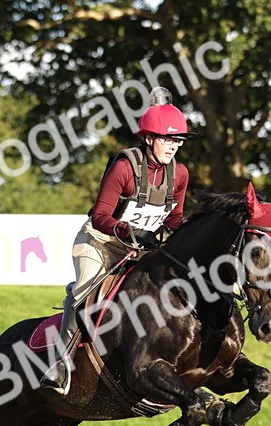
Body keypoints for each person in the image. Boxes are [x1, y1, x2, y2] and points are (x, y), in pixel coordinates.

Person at [41, 89, 192, 394]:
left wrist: (184, 232)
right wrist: (128, 233)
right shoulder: (125, 167)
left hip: (140, 249)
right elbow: (100, 216)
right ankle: (61, 363)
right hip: (100, 242)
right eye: (167, 139)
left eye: (177, 141)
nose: (173, 147)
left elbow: (174, 217)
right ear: (149, 138)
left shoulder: (180, 175)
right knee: (85, 293)